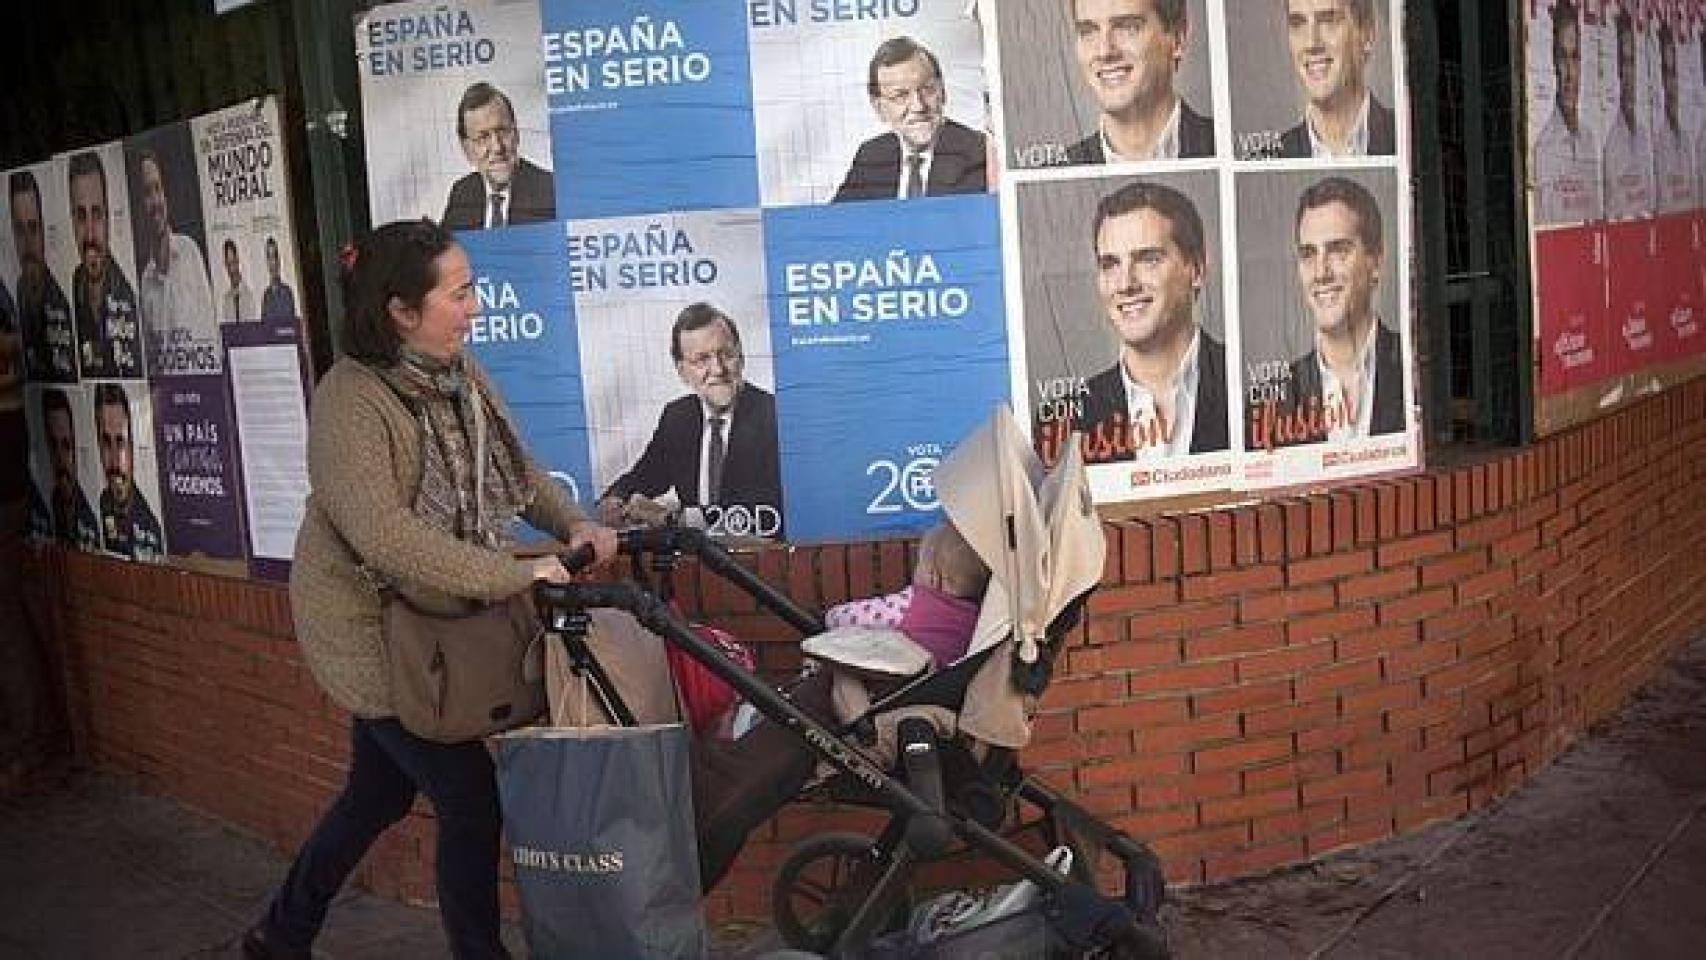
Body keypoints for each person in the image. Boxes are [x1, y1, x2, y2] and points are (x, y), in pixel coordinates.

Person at [244, 220, 619, 960]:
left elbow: (517, 470)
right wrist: (517, 572)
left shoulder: (458, 373)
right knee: (469, 797)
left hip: (433, 616)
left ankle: (279, 935)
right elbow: (386, 537)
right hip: (371, 629)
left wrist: (573, 522)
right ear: (401, 311)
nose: (475, 305)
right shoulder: (349, 402)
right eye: (461, 292)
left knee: (377, 795)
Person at [692, 519, 990, 891]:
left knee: (807, 701)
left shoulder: (914, 606)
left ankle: (741, 735)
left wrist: (831, 619)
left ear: (934, 574)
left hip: (865, 702)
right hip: (909, 693)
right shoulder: (975, 624)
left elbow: (847, 617)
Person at [1069, 181, 1229, 465]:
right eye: (1110, 264)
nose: (1126, 284)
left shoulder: (1248, 388)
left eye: (1148, 259)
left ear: (1197, 270)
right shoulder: (1070, 417)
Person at [596, 303, 784, 533]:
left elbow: (765, 515)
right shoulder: (677, 418)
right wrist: (616, 498)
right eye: (702, 359)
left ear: (741, 356)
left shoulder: (775, 416)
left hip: (760, 559)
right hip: (695, 563)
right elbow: (644, 477)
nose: (717, 369)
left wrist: (674, 519)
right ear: (683, 371)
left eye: (725, 354)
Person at [1256, 176, 1403, 450]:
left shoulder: (1410, 365)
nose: (1321, 273)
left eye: (1338, 251)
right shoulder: (1275, 401)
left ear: (1376, 261)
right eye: (1308, 254)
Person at [833, 37, 988, 202]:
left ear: (942, 93)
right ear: (879, 108)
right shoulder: (871, 156)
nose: (918, 106)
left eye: (927, 90)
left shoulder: (979, 152)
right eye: (901, 95)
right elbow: (837, 222)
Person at [1065, 0, 1215, 164]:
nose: (1104, 51)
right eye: (1088, 31)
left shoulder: (1223, 146)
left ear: (1178, 37)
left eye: (1128, 28)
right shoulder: (1058, 168)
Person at [134, 148, 218, 374]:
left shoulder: (190, 252)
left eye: (157, 189)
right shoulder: (145, 281)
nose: (155, 202)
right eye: (146, 193)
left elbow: (212, 338)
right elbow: (152, 358)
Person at [1278, 0, 1395, 158]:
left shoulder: (1407, 136)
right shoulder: (1270, 156)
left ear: (1367, 33)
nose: (1311, 43)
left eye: (1328, 21)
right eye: (1298, 24)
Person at [68, 151, 143, 379]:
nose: (90, 233)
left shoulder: (129, 295)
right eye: (81, 216)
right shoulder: (72, 286)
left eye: (97, 214)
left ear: (109, 217)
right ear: (71, 220)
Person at [441, 83, 555, 230]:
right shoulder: (461, 193)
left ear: (517, 134)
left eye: (503, 132)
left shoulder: (550, 190)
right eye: (483, 137)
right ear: (467, 149)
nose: (497, 147)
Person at [1532, 0, 1602, 225]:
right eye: (1563, 57)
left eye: (1575, 57)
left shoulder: (1590, 141)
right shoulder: (1543, 151)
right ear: (1553, 63)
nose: (1571, 74)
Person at [10, 170, 75, 382]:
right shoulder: (19, 290)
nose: (28, 244)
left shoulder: (61, 303)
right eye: (20, 230)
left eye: (33, 228)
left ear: (43, 231)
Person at [91, 383, 164, 561]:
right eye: (107, 443)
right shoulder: (101, 504)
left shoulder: (152, 529)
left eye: (121, 442)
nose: (115, 461)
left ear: (133, 445)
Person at [1601, 10, 1653, 221]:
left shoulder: (1643, 136)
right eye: (1625, 63)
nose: (1629, 72)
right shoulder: (1610, 142)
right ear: (1618, 70)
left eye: (1632, 62)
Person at [40, 387, 99, 551]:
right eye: (53, 445)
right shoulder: (49, 505)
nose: (60, 459)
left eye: (66, 446)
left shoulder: (92, 519)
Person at [1651, 22, 1693, 215]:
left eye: (1674, 73)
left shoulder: (1687, 139)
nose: (1672, 84)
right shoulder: (1655, 142)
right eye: (1667, 73)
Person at [260, 236, 297, 322]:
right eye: (269, 257)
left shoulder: (287, 293)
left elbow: (291, 327)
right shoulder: (266, 297)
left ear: (278, 260)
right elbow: (264, 328)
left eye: (274, 256)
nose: (272, 262)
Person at [220, 239, 255, 321]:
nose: (232, 269)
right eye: (228, 264)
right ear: (225, 265)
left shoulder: (249, 295)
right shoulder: (226, 300)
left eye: (233, 262)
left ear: (237, 260)